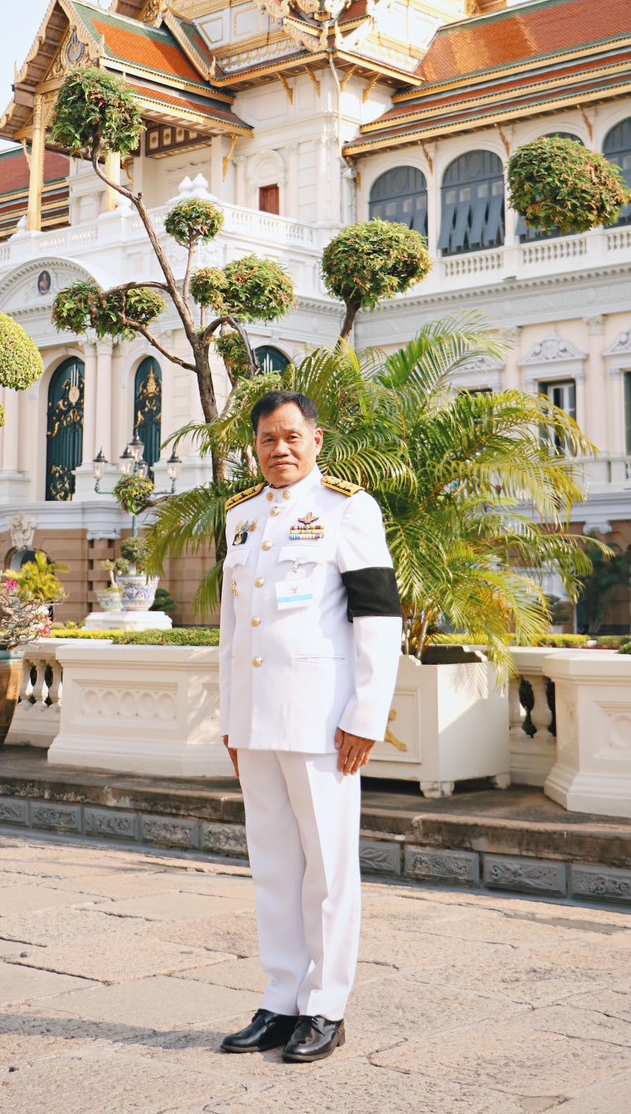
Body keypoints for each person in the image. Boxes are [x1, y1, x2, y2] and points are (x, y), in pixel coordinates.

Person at [218, 391, 402, 1064]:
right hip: (257, 720)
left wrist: (366, 715)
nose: (280, 449)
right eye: (268, 438)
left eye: (292, 436)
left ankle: (326, 1005)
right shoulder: (239, 517)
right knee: (272, 864)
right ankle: (281, 998)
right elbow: (233, 631)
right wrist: (231, 721)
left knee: (326, 867)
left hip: (321, 720)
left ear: (316, 440)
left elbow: (377, 616)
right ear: (254, 445)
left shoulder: (347, 509)